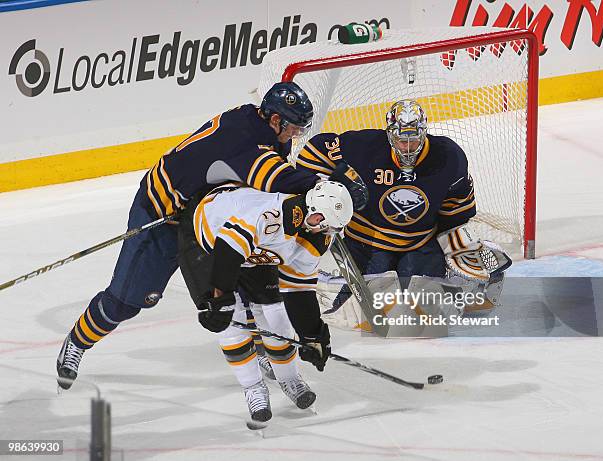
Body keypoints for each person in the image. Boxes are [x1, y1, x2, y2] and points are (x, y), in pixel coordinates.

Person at [56, 82, 367, 390]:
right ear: (275, 120)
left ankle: (257, 349)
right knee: (128, 301)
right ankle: (78, 342)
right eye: (294, 128)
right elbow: (274, 177)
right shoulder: (245, 140)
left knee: (247, 287)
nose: (296, 134)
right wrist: (327, 184)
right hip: (164, 213)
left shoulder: (262, 125)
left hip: (210, 218)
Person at [295, 100, 510, 314]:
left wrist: (454, 243)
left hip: (419, 244)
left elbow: (456, 210)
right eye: (400, 140)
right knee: (364, 313)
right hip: (368, 243)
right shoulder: (365, 147)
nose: (407, 147)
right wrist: (328, 188)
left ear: (424, 134)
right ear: (389, 135)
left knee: (426, 313)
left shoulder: (448, 158)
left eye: (413, 140)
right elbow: (312, 153)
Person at [177, 181, 353, 424]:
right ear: (314, 212)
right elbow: (228, 250)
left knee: (275, 311)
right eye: (325, 225)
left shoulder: (315, 237)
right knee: (229, 318)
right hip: (206, 240)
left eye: (332, 228)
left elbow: (299, 290)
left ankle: (289, 378)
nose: (326, 233)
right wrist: (223, 297)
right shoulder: (271, 216)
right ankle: (253, 386)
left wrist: (313, 334)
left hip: (253, 251)